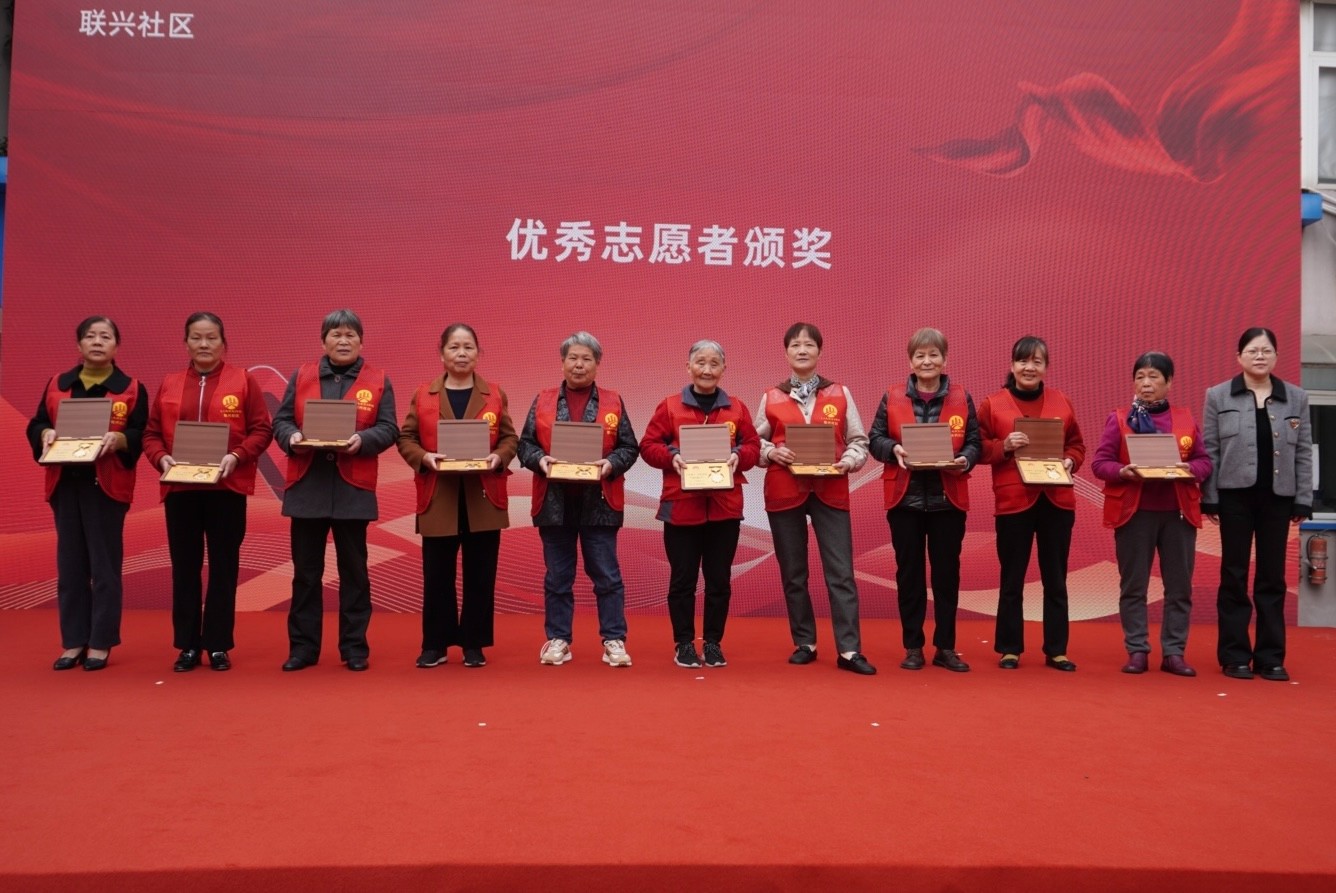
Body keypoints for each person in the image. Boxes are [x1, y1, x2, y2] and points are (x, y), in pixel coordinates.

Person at [143, 312, 273, 672]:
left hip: (226, 488)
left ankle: (217, 645)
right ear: (186, 343)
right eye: (196, 337)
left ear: (223, 343)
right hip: (181, 489)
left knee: (223, 568)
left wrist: (237, 456)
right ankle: (187, 645)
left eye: (211, 337)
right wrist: (161, 458)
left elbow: (262, 429)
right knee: (184, 568)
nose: (204, 344)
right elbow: (151, 433)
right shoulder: (169, 383)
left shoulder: (243, 380)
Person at [272, 309, 398, 672]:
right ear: (323, 341)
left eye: (350, 335)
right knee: (306, 573)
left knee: (354, 572)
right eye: (336, 335)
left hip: (352, 489)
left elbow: (389, 428)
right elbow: (281, 420)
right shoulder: (302, 375)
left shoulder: (378, 380)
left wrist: (362, 440)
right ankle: (303, 649)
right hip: (307, 487)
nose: (343, 341)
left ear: (361, 341)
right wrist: (292, 437)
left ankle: (354, 648)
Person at [27, 316, 148, 671]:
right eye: (90, 336)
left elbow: (141, 433)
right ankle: (74, 641)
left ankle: (100, 641)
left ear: (116, 345)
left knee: (104, 567)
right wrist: (44, 433)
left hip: (105, 486)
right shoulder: (58, 383)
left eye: (105, 336)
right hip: (65, 483)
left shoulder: (131, 388)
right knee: (70, 566)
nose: (97, 342)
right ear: (78, 344)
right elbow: (37, 422)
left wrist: (120, 439)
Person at [753, 322, 875, 675]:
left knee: (841, 572)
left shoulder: (840, 393)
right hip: (785, 490)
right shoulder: (771, 396)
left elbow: (859, 440)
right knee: (794, 573)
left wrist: (848, 461)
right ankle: (804, 642)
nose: (802, 350)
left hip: (830, 489)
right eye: (795, 345)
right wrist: (771, 452)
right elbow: (752, 442)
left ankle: (849, 650)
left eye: (809, 344)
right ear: (786, 353)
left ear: (820, 351)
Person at [398, 323, 517, 669]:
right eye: (454, 347)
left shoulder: (495, 393)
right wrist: (424, 458)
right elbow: (406, 438)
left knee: (481, 575)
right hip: (439, 496)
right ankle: (435, 644)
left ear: (478, 353)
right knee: (437, 575)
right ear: (442, 354)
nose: (461, 353)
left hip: (483, 496)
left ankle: (473, 644)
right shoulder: (424, 394)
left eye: (468, 347)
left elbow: (510, 438)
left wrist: (499, 457)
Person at [517, 331, 639, 668]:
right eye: (573, 358)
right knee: (558, 577)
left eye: (586, 358)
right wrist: (540, 460)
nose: (579, 365)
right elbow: (524, 444)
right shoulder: (543, 400)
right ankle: (559, 639)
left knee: (607, 576)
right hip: (554, 503)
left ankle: (614, 640)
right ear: (562, 362)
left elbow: (630, 447)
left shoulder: (613, 401)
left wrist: (610, 464)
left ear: (597, 364)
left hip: (598, 501)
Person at [640, 340, 761, 668]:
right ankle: (683, 643)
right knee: (683, 580)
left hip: (725, 508)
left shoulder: (737, 408)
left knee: (719, 580)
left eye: (714, 364)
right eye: (700, 363)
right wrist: (672, 456)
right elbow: (648, 445)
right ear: (688, 367)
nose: (707, 370)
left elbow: (752, 446)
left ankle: (713, 642)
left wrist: (738, 455)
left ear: (724, 369)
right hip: (681, 507)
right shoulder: (669, 406)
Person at [1202, 328, 1312, 682]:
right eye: (1252, 350)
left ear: (1276, 356)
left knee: (1272, 577)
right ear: (1239, 357)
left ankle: (1270, 658)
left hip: (1278, 498)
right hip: (1234, 497)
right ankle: (1234, 655)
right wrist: (1210, 498)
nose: (1260, 356)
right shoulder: (1218, 395)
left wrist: (1303, 498)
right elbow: (1210, 450)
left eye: (1266, 351)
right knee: (1233, 575)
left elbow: (1303, 451)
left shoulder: (1296, 397)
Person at [868, 327, 981, 672]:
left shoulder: (962, 396)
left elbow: (975, 441)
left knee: (947, 576)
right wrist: (893, 448)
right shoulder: (892, 397)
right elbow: (874, 439)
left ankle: (945, 647)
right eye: (920, 355)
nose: (927, 361)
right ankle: (913, 646)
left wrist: (965, 459)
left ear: (945, 360)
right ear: (910, 361)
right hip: (905, 500)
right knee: (909, 576)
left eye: (934, 355)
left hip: (948, 500)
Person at [1092, 351, 1211, 676]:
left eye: (1154, 377)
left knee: (1179, 588)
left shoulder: (1185, 419)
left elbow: (1204, 461)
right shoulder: (1119, 419)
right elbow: (1100, 463)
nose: (1146, 383)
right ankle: (1137, 650)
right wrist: (1123, 471)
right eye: (1140, 377)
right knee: (1134, 586)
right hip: (1135, 514)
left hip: (1178, 514)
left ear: (1169, 382)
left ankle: (1174, 652)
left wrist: (1188, 469)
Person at [977, 336, 1085, 671]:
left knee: (1056, 579)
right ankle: (1010, 649)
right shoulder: (993, 404)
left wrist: (1070, 461)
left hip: (1057, 500)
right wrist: (1004, 446)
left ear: (1045, 367)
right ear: (1012, 365)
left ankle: (1057, 650)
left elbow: (1077, 445)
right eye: (1023, 361)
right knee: (1012, 579)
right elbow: (977, 447)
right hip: (1014, 501)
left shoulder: (1062, 401)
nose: (1029, 367)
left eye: (1037, 362)